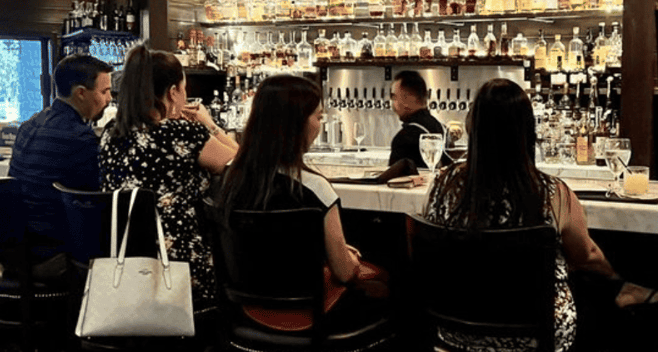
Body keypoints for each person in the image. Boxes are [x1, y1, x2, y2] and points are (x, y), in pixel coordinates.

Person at [423, 78, 658, 352]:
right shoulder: (551, 192)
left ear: (472, 127)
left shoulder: (444, 184)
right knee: (614, 310)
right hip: (537, 345)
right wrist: (618, 279)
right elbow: (587, 258)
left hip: (455, 339)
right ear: (527, 131)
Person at [216, 74, 387, 330]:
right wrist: (343, 256)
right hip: (309, 316)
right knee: (387, 285)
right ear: (296, 123)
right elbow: (343, 273)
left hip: (243, 311)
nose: (320, 125)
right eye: (318, 117)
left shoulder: (227, 178)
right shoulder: (313, 187)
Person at [100, 46, 237, 309]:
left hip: (122, 256)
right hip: (178, 265)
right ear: (173, 92)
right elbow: (244, 164)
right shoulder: (182, 133)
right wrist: (210, 125)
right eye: (183, 89)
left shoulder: (111, 133)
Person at [9, 54, 113, 271]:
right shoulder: (79, 139)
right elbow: (100, 198)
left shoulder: (28, 126)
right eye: (104, 91)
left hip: (16, 248)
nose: (110, 99)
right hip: (53, 255)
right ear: (81, 94)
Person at [388, 69, 451, 169]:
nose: (393, 104)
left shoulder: (404, 139)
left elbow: (394, 182)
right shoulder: (439, 127)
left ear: (409, 98)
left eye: (395, 98)